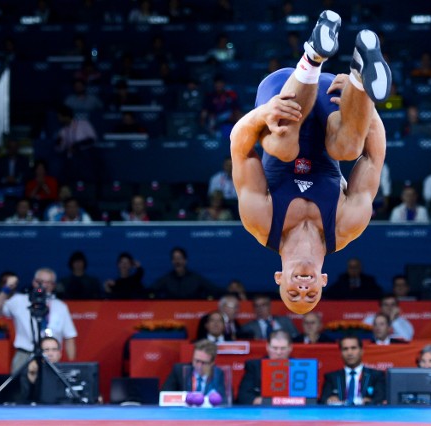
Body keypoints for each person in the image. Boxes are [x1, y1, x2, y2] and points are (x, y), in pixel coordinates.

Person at [230, 10, 391, 314]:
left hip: (281, 95)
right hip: (331, 111)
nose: (302, 289)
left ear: (278, 278)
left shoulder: (260, 221)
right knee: (347, 148)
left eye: (293, 294)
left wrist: (260, 115)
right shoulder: (346, 227)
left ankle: (313, 56)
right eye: (310, 295)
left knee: (284, 147)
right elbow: (374, 156)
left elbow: (240, 148)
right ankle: (360, 75)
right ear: (324, 280)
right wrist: (365, 106)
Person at [0, 269, 77, 372]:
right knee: (20, 387)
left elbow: (69, 337)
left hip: (51, 355)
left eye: (48, 282)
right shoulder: (19, 300)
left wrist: (71, 367)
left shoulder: (60, 306)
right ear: (34, 282)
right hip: (25, 354)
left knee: (51, 386)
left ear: (53, 285)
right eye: (40, 282)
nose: (43, 286)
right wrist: (7, 288)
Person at [320, 335, 385, 405]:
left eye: (353, 348)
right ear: (340, 353)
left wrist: (368, 402)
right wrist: (329, 400)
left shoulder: (376, 375)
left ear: (361, 351)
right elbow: (322, 401)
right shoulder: (331, 377)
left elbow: (380, 399)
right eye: (345, 349)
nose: (349, 353)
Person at [236, 330, 293, 405]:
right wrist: (271, 401)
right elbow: (244, 397)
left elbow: (310, 399)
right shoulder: (254, 367)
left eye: (283, 348)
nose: (279, 352)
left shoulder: (300, 367)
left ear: (290, 348)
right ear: (267, 347)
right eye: (275, 348)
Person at [162, 339, 227, 404]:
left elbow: (225, 400)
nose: (199, 366)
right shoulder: (179, 371)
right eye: (196, 361)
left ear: (212, 363)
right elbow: (165, 395)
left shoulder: (218, 374)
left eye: (203, 362)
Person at [151, 247, 220, 300]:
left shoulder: (195, 278)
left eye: (179, 258)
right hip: (171, 313)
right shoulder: (166, 279)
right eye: (174, 259)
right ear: (172, 261)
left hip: (192, 312)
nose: (177, 262)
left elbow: (214, 290)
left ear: (185, 261)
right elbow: (150, 291)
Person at [18, 336, 62, 404]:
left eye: (54, 349)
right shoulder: (30, 371)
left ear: (59, 353)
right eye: (46, 350)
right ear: (39, 353)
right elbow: (25, 397)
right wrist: (32, 374)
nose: (50, 354)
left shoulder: (68, 372)